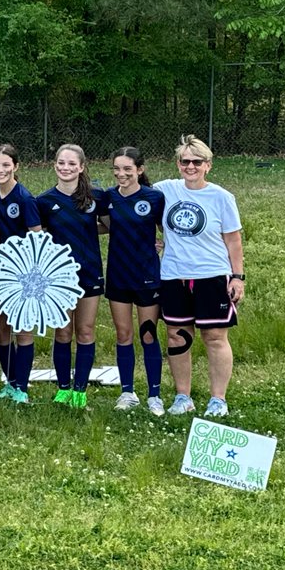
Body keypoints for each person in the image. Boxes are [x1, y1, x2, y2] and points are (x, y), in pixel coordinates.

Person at [156, 136, 244, 417]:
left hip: (212, 275)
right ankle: (183, 396)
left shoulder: (221, 197)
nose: (190, 166)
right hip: (173, 275)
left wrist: (237, 276)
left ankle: (218, 399)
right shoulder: (164, 190)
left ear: (208, 165)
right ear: (178, 164)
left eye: (197, 162)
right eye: (185, 161)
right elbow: (135, 204)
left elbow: (233, 241)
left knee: (215, 337)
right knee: (177, 336)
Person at [37, 144, 109, 409]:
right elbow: (39, 236)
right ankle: (63, 388)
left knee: (85, 330)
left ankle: (80, 390)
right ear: (55, 165)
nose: (65, 167)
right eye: (61, 163)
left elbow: (110, 226)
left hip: (89, 271)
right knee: (63, 331)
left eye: (71, 163)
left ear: (81, 167)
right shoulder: (44, 201)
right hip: (59, 278)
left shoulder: (96, 198)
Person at [104, 147, 166, 415]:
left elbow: (171, 231)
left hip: (148, 277)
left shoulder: (154, 197)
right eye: (117, 169)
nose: (121, 174)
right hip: (118, 275)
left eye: (127, 169)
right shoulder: (107, 198)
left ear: (139, 170)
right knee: (123, 334)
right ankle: (127, 392)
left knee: (148, 334)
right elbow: (103, 226)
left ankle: (155, 395)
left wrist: (165, 244)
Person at [0, 144, 42, 404]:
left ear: (16, 167)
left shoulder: (24, 198)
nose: (0, 170)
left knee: (23, 329)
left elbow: (37, 237)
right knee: (2, 328)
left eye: (6, 165)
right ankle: (9, 383)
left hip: (22, 273)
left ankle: (22, 387)